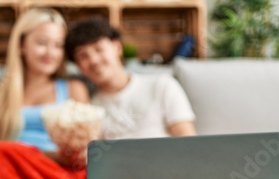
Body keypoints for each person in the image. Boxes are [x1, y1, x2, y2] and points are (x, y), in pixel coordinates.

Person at [0, 8, 90, 174]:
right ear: (21, 45)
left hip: (53, 176)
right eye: (42, 43)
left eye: (58, 45)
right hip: (8, 176)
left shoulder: (74, 90)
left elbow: (88, 152)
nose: (50, 53)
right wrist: (8, 161)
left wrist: (69, 156)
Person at [64, 18, 197, 140]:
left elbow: (187, 141)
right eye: (83, 56)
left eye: (98, 49)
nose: (93, 60)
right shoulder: (90, 112)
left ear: (117, 47)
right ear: (78, 66)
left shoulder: (162, 85)